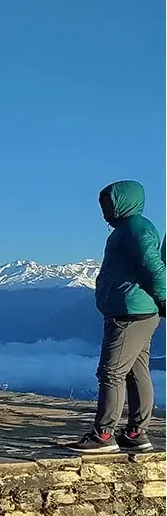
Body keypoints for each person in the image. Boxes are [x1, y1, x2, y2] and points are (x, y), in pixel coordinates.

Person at [70, 180, 166, 453]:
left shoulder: (136, 229)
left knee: (110, 373)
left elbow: (153, 268)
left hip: (131, 312)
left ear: (124, 202)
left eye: (109, 204)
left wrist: (163, 297)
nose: (105, 211)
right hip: (135, 309)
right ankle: (136, 433)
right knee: (136, 372)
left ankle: (103, 434)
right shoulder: (130, 229)